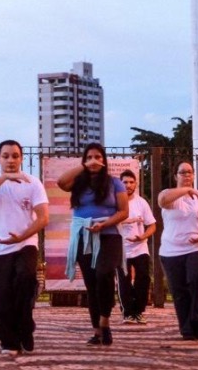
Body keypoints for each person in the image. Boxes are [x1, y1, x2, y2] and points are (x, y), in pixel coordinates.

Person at [0, 139, 50, 358]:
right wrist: (4, 177)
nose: (10, 160)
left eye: (15, 156)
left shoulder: (32, 182)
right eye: (6, 156)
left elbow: (43, 217)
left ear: (21, 158)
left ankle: (25, 327)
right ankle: (9, 340)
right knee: (0, 296)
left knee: (26, 280)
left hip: (25, 243)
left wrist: (23, 236)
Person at [57, 143, 129, 346]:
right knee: (92, 284)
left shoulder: (115, 183)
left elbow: (124, 211)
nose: (94, 160)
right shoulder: (78, 182)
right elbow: (61, 182)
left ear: (105, 160)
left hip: (109, 235)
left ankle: (105, 320)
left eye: (98, 157)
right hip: (83, 236)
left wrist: (105, 223)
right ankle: (98, 331)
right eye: (89, 157)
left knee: (104, 273)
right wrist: (85, 166)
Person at [158, 162, 198, 341]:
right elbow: (162, 201)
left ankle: (196, 315)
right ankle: (187, 329)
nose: (187, 176)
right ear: (176, 176)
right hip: (171, 250)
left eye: (190, 172)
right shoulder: (168, 194)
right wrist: (185, 191)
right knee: (179, 291)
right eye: (182, 172)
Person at [116, 169, 156, 324]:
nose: (128, 185)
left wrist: (143, 236)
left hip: (140, 247)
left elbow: (152, 225)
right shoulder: (115, 202)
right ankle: (127, 312)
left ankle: (138, 311)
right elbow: (110, 221)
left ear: (136, 184)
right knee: (124, 281)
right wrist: (129, 220)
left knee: (144, 278)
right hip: (121, 248)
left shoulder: (141, 202)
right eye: (125, 182)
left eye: (131, 182)